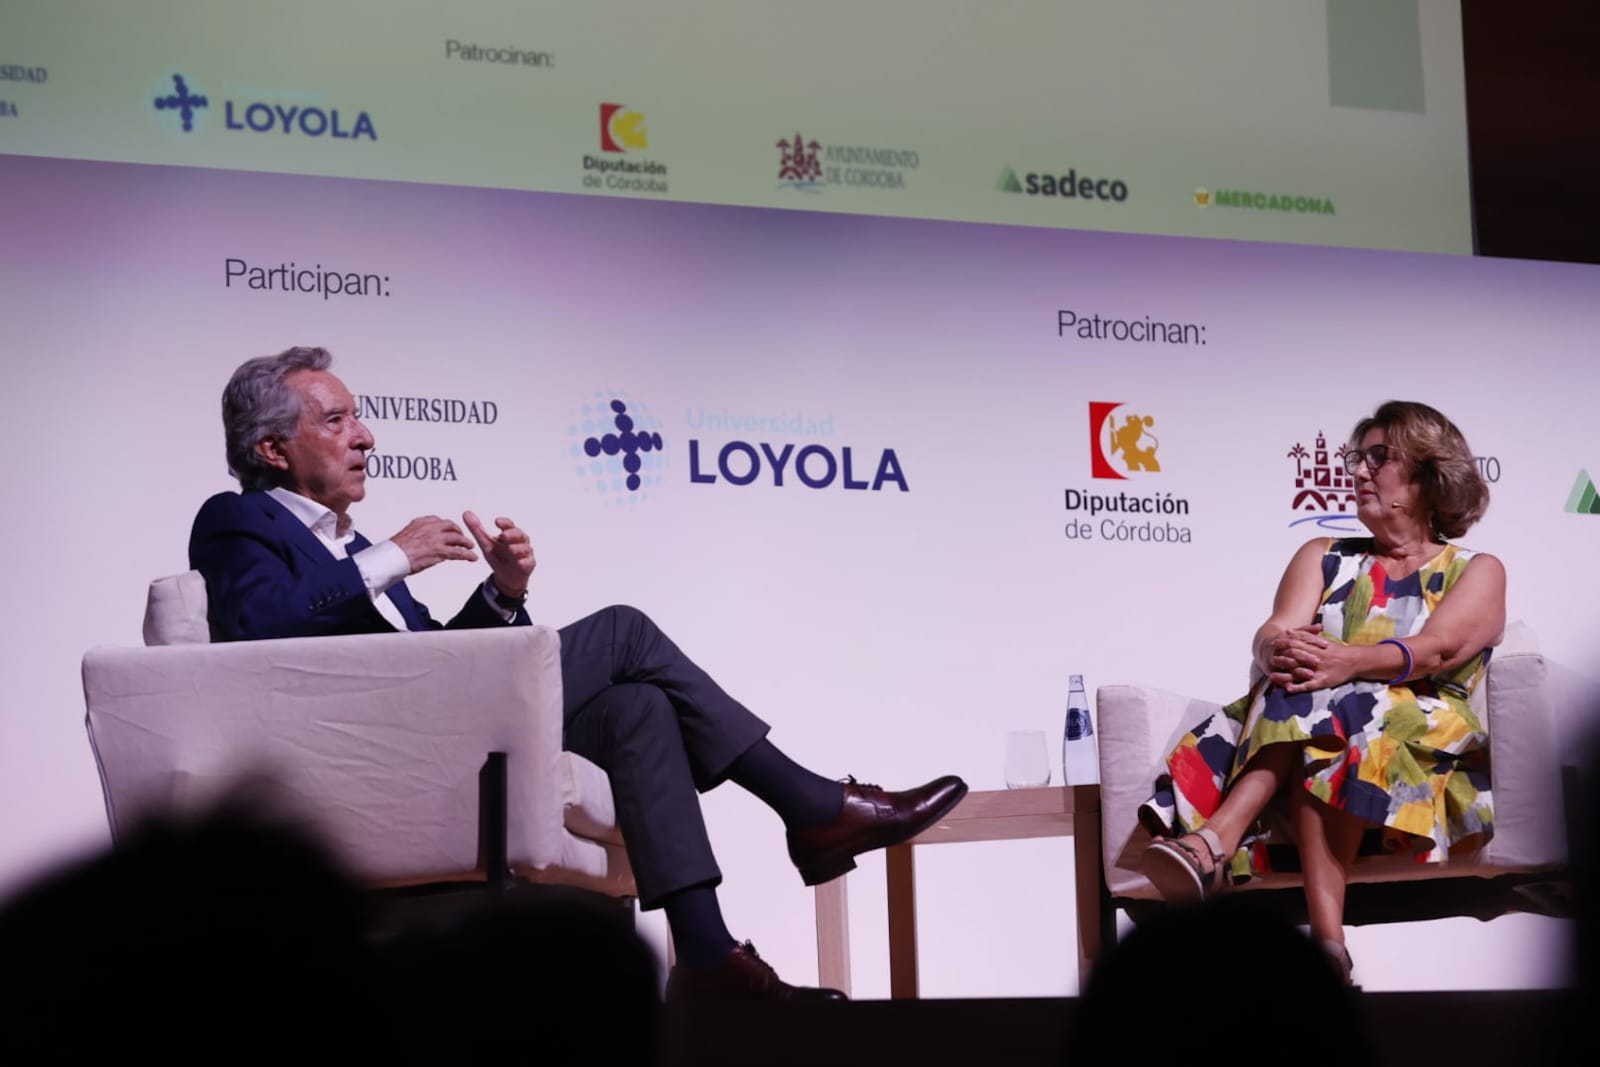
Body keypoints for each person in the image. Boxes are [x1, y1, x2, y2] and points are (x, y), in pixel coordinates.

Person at [188, 345, 969, 1001]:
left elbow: (450, 662)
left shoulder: (354, 552)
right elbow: (264, 625)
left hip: (438, 728)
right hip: (381, 749)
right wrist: (398, 555)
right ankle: (813, 804)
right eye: (337, 419)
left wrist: (502, 593)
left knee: (635, 708)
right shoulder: (236, 521)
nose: (366, 435)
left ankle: (704, 955)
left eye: (359, 415)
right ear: (271, 449)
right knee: (624, 630)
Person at [1137, 400, 1505, 985]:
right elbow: (1276, 629)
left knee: (1343, 699)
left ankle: (1212, 843)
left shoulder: (1477, 569)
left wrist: (1348, 663)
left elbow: (1436, 650)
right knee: (1306, 686)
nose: (1358, 472)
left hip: (1425, 733)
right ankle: (1327, 950)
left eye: (1379, 458)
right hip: (1315, 720)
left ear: (1429, 475)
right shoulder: (1322, 555)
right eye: (1356, 459)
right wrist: (1274, 651)